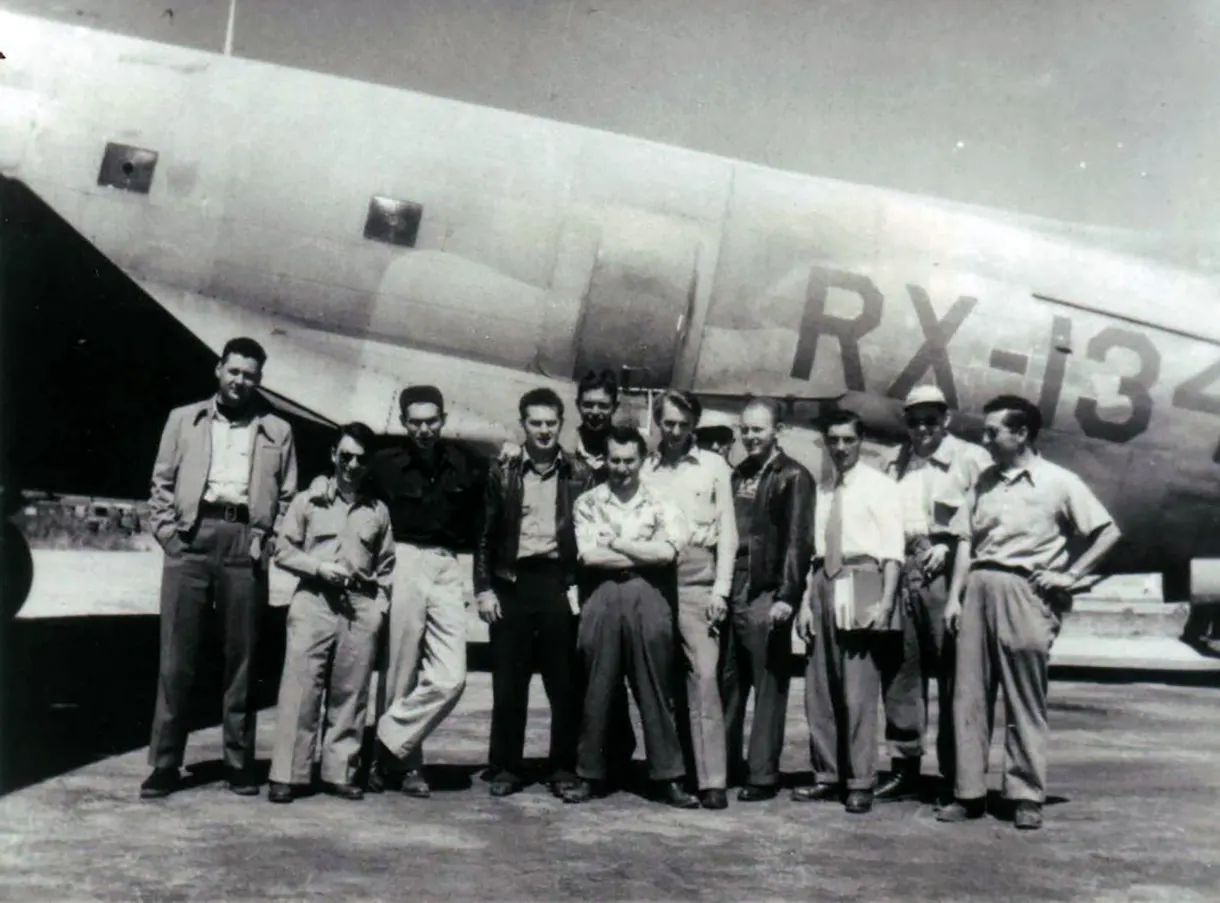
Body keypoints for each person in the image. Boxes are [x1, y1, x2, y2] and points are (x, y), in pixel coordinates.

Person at [937, 395, 1121, 831]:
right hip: (978, 586)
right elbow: (965, 541)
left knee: (1024, 698)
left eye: (993, 431)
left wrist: (1070, 576)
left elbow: (1107, 532)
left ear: (1021, 434)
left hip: (1027, 592)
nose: (984, 438)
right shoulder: (982, 481)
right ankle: (969, 793)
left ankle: (1024, 795)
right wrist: (954, 598)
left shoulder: (1058, 482)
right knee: (968, 696)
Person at [142, 337, 298, 799]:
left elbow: (287, 495)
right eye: (234, 371)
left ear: (259, 380)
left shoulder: (278, 430)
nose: (240, 381)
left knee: (243, 658)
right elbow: (161, 482)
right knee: (176, 658)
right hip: (191, 538)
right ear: (219, 369)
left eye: (250, 374)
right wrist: (170, 537)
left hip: (245, 543)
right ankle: (165, 764)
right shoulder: (183, 419)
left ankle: (238, 761)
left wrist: (266, 542)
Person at [562, 426, 699, 809]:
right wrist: (642, 549)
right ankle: (590, 774)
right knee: (597, 686)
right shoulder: (589, 502)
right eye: (614, 460)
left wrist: (618, 544)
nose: (621, 468)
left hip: (648, 594)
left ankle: (668, 776)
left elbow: (667, 554)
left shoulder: (661, 501)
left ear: (643, 460)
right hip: (602, 595)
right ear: (605, 460)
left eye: (629, 461)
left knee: (654, 686)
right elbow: (589, 556)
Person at [474, 388, 594, 798]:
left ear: (562, 424)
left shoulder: (579, 473)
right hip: (512, 582)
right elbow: (485, 535)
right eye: (535, 423)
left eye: (550, 423)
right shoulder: (503, 471)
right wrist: (484, 588)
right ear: (522, 424)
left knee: (563, 682)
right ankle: (508, 766)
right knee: (510, 680)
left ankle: (563, 765)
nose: (543, 431)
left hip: (559, 583)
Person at [267, 423, 395, 803]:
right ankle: (288, 775)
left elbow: (387, 566)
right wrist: (318, 568)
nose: (352, 465)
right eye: (345, 457)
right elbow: (284, 550)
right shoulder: (309, 501)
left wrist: (379, 608)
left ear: (369, 464)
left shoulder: (378, 511)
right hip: (314, 601)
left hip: (360, 607)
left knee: (351, 692)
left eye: (360, 459)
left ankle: (340, 772)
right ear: (333, 457)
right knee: (300, 688)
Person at [876, 385, 991, 803]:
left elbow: (986, 516)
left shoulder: (972, 458)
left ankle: (954, 774)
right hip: (904, 567)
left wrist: (951, 544)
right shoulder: (899, 459)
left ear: (946, 420)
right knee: (900, 673)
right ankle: (904, 765)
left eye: (930, 420)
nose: (922, 428)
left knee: (955, 675)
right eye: (914, 420)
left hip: (946, 573)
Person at [370, 385, 484, 797]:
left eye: (431, 421)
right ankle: (407, 766)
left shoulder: (464, 463)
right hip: (403, 561)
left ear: (443, 419)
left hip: (447, 564)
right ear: (403, 422)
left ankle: (382, 742)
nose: (424, 429)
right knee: (400, 668)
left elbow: (488, 511)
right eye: (415, 422)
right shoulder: (383, 464)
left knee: (450, 677)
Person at [793, 410, 903, 814]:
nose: (840, 448)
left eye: (848, 440)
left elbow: (893, 551)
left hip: (862, 578)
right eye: (833, 440)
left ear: (861, 442)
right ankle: (827, 775)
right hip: (824, 579)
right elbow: (813, 555)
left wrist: (885, 603)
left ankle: (859, 781)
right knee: (820, 687)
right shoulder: (823, 490)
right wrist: (807, 602)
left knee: (857, 689)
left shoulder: (881, 487)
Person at [641, 391, 737, 810]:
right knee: (660, 681)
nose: (675, 431)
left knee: (704, 676)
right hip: (656, 581)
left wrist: (721, 590)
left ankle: (712, 778)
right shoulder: (646, 469)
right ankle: (672, 774)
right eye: (668, 423)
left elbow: (729, 534)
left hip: (699, 581)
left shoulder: (714, 467)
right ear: (657, 423)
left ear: (693, 425)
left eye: (683, 424)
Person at [721, 397, 814, 802]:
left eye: (758, 429)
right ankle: (722, 765)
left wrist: (788, 595)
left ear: (778, 431)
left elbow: (798, 540)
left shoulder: (794, 476)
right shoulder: (737, 473)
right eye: (745, 429)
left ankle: (762, 774)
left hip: (766, 589)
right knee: (729, 683)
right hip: (731, 583)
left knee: (768, 685)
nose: (750, 436)